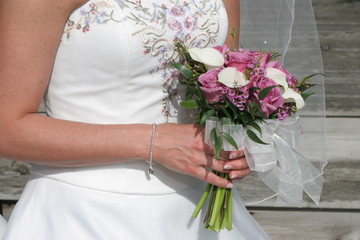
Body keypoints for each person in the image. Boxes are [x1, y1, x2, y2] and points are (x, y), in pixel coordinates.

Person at [0, 0, 271, 239]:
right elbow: (7, 129)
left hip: (202, 210)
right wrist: (155, 141)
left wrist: (231, 141)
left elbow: (224, 87)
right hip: (86, 209)